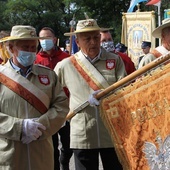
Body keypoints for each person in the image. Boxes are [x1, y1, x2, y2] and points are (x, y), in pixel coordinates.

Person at [54, 18, 127, 170]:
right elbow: (52, 94)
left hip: (112, 130)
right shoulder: (65, 65)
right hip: (83, 131)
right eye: (87, 38)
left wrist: (109, 95)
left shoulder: (114, 60)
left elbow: (125, 89)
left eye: (95, 37)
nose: (93, 42)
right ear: (77, 41)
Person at [0, 25, 69, 170]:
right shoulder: (1, 77)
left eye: (33, 47)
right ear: (11, 48)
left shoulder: (49, 75)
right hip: (10, 155)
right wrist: (20, 128)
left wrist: (40, 126)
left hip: (41, 152)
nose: (31, 52)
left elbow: (61, 105)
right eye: (26, 47)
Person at [35, 27, 72, 170]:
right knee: (52, 147)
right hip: (47, 111)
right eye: (42, 39)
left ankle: (65, 162)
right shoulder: (36, 60)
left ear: (55, 39)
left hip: (66, 110)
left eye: (48, 38)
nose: (45, 41)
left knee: (68, 146)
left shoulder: (66, 58)